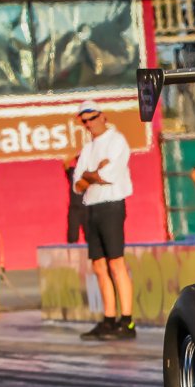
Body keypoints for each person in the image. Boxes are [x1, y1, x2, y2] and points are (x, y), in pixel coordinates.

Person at [72, 100, 135, 340]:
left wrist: (93, 175)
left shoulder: (117, 140)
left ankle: (127, 320)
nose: (89, 124)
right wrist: (93, 173)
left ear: (103, 116)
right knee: (99, 265)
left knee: (116, 262)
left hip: (111, 204)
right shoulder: (89, 148)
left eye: (92, 118)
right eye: (84, 120)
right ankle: (109, 319)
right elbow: (78, 183)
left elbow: (110, 175)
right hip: (92, 205)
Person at [64, 154, 85, 243]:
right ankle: (72, 255)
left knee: (90, 235)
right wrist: (75, 155)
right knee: (72, 235)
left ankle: (92, 255)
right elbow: (65, 163)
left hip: (87, 207)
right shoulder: (72, 172)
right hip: (74, 208)